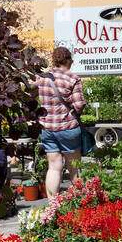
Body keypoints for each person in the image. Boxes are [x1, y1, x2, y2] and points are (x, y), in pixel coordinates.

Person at [35, 47, 85, 200]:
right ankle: (80, 204)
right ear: (68, 60)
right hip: (67, 127)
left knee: (54, 168)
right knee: (74, 168)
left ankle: (52, 207)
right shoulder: (72, 79)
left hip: (47, 129)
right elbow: (79, 105)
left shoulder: (41, 78)